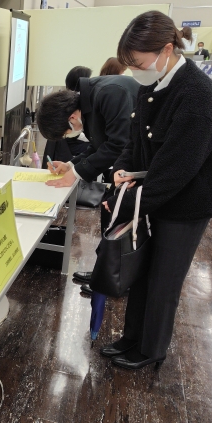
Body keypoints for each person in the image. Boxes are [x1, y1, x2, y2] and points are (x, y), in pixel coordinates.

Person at [100, 10, 212, 370]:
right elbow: (135, 140)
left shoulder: (197, 96)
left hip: (187, 203)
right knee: (142, 270)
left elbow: (177, 170)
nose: (135, 71)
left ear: (167, 50)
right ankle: (131, 337)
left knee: (164, 279)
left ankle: (151, 349)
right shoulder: (154, 83)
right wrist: (119, 171)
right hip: (155, 194)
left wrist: (126, 203)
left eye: (139, 63)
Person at [35, 72, 139, 295]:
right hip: (128, 167)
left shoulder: (110, 94)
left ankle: (115, 280)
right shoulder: (91, 101)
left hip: (140, 168)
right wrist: (70, 165)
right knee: (110, 214)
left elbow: (118, 145)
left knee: (121, 220)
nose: (70, 134)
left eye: (66, 132)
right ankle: (105, 273)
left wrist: (76, 174)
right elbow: (98, 145)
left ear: (71, 117)